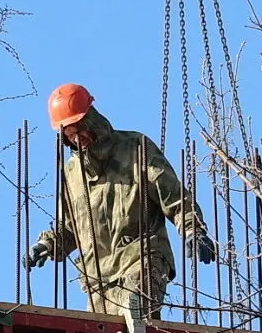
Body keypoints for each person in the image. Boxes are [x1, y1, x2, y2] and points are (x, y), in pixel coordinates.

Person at [27, 83, 216, 320]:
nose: (78, 138)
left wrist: (193, 230)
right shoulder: (72, 175)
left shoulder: (136, 149)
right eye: (70, 134)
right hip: (99, 279)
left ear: (92, 120)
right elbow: (70, 227)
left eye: (80, 129)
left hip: (142, 258)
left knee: (135, 317)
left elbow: (173, 197)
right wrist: (47, 245)